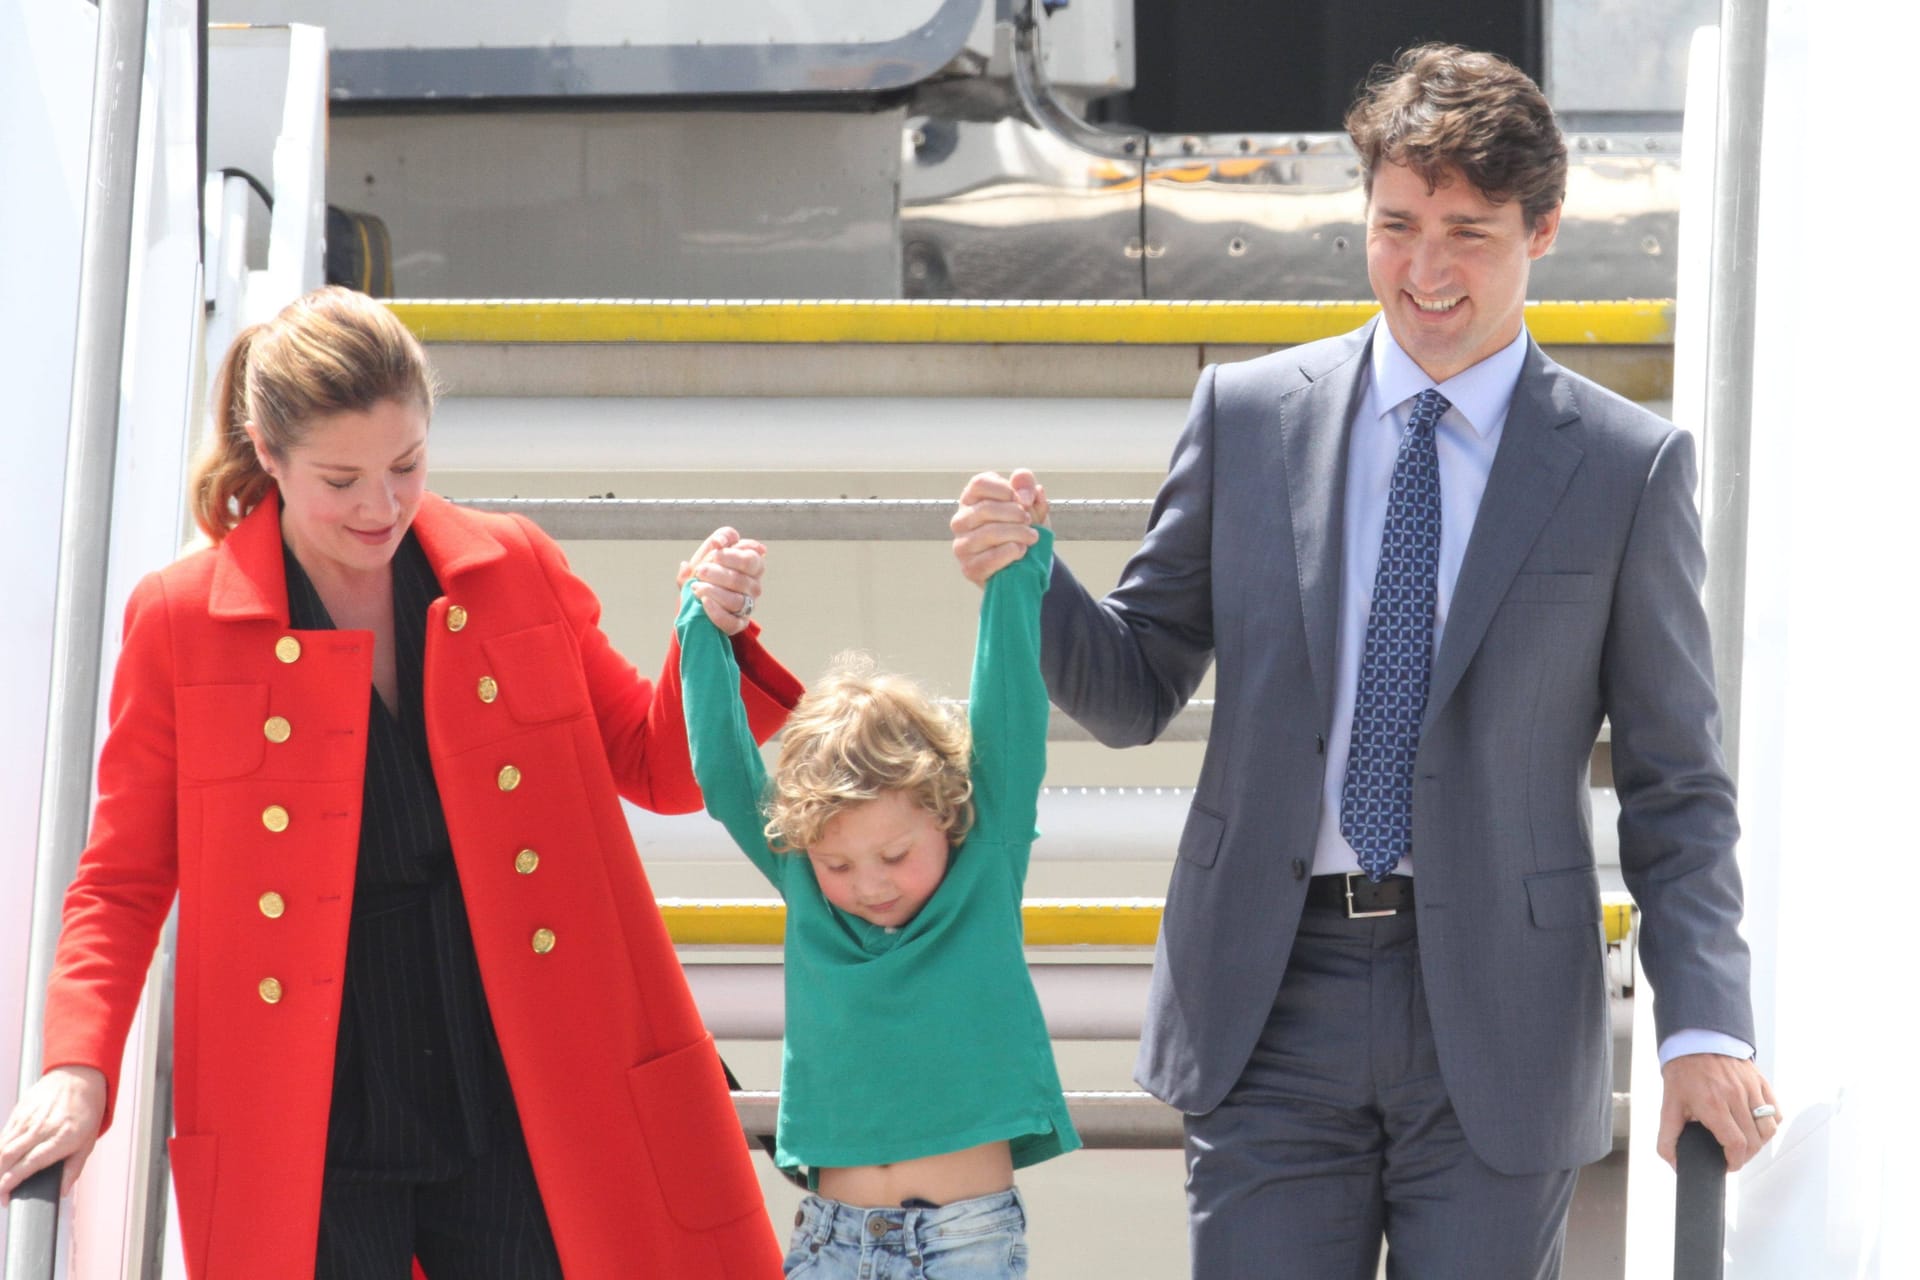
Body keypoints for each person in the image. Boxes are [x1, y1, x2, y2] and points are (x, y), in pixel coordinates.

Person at [949, 44, 1778, 1278]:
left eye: (1468, 233)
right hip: (1269, 998)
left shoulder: (1625, 467)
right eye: (1395, 226)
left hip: (1498, 1014)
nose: (1425, 270)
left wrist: (1703, 1021)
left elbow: (1676, 783)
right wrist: (1030, 581)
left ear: (1543, 229)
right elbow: (1132, 688)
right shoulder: (1247, 416)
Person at [0, 286, 801, 1278]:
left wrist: (707, 639)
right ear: (267, 449)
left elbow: (656, 762)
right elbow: (120, 882)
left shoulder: (513, 565)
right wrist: (78, 1068)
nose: (380, 506)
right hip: (310, 1097)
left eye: (407, 465)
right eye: (342, 478)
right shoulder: (179, 619)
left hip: (528, 1064)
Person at [678, 512, 1079, 1278]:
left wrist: (1013, 570)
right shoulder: (805, 884)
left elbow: (1012, 716)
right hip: (830, 1239)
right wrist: (703, 619)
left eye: (895, 854)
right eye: (837, 864)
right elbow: (726, 777)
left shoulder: (983, 866)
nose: (868, 884)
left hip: (967, 1243)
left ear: (947, 815)